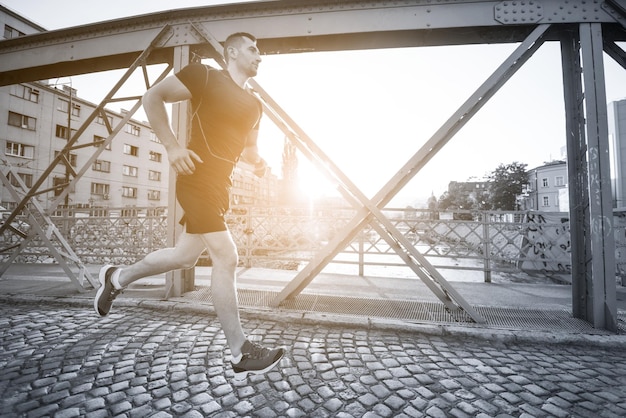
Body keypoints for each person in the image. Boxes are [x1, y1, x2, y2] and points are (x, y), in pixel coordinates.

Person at [93, 32, 284, 380]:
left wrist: (259, 165)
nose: (260, 56)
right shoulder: (204, 75)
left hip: (221, 188)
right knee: (228, 257)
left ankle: (116, 277)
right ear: (232, 51)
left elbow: (249, 152)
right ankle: (241, 351)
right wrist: (171, 147)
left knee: (183, 256)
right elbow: (153, 97)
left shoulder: (256, 106)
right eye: (253, 49)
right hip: (195, 179)